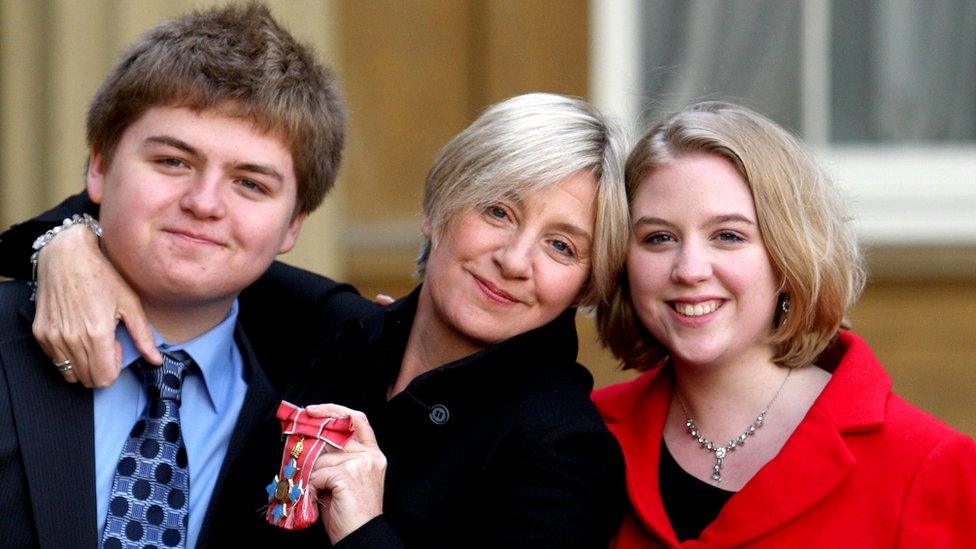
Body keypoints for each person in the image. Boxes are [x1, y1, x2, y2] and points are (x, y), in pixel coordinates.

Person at [1, 93, 629, 547]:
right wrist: (67, 243)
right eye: (497, 211)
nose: (514, 260)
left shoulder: (566, 454)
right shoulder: (335, 332)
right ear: (438, 207)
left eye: (562, 247)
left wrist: (363, 530)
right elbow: (187, 242)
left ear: (587, 283)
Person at [0, 3, 356, 547]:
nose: (204, 203)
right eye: (173, 161)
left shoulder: (317, 410)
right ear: (98, 166)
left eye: (251, 184)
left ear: (292, 227)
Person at [592, 101, 976, 547]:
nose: (689, 269)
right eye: (659, 238)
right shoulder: (586, 436)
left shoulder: (928, 464)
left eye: (728, 236)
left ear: (787, 255)